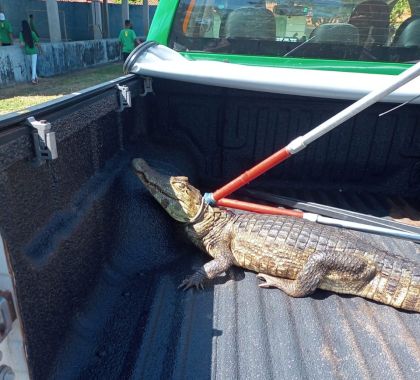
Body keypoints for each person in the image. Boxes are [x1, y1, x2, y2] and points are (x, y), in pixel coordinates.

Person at [19, 20, 41, 84]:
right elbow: (37, 41)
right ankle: (33, 79)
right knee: (33, 65)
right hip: (33, 51)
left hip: (27, 51)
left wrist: (20, 45)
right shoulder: (32, 32)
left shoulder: (21, 33)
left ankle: (36, 78)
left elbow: (22, 44)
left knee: (32, 66)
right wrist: (36, 44)